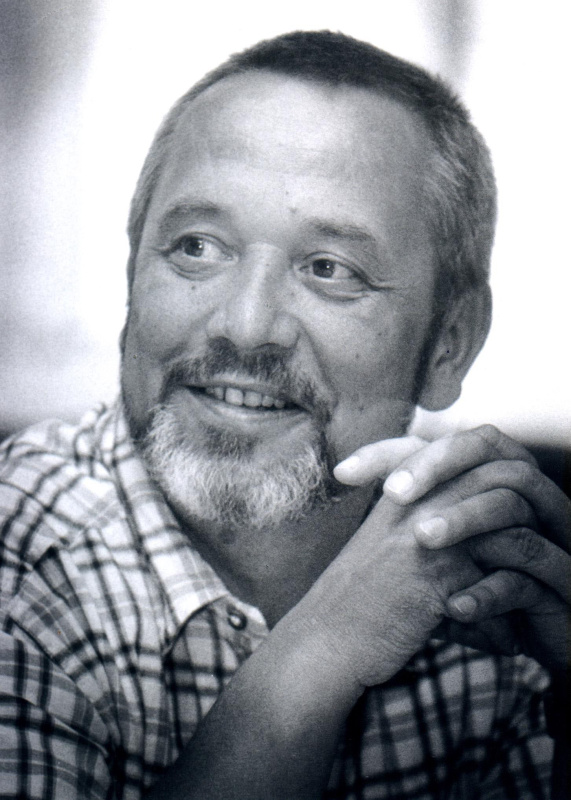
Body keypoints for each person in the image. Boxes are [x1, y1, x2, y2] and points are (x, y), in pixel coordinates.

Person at [0, 30, 569, 800]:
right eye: (196, 247)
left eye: (329, 269)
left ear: (449, 345)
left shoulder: (485, 580)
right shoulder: (18, 554)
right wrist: (323, 650)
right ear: (132, 273)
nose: (244, 325)